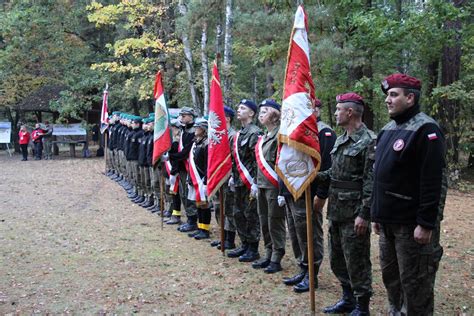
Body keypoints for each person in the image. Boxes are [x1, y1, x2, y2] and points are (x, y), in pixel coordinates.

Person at [371, 74, 447, 316]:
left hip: (411, 225)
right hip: (387, 223)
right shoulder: (387, 129)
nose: (387, 100)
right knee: (391, 280)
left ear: (410, 98)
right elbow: (379, 177)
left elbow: (433, 181)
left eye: (394, 95)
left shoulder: (426, 129)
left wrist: (426, 223)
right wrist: (375, 213)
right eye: (387, 95)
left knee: (415, 285)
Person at [316, 93, 376, 315]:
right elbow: (336, 173)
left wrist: (364, 214)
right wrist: (316, 176)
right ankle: (348, 298)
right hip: (336, 210)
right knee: (338, 258)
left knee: (357, 260)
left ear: (350, 112)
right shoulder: (341, 140)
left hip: (354, 213)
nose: (335, 113)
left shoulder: (369, 140)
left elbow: (371, 182)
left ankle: (362, 306)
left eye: (338, 109)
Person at [280, 98, 337, 292]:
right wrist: (283, 190)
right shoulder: (292, 129)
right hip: (291, 191)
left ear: (317, 110)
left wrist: (320, 194)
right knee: (296, 235)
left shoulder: (323, 131)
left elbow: (327, 165)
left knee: (309, 234)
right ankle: (303, 268)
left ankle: (312, 274)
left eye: (309, 108)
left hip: (309, 192)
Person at [251, 99, 286, 274]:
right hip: (263, 185)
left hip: (274, 187)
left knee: (275, 221)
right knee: (264, 220)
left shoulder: (280, 135)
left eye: (265, 111)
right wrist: (256, 184)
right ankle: (268, 252)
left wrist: (282, 189)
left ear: (275, 115)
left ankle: (277, 256)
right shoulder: (264, 136)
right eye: (261, 111)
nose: (261, 114)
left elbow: (283, 162)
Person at [227, 99, 262, 263]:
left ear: (251, 113)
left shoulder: (255, 133)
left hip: (250, 182)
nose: (238, 110)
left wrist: (255, 182)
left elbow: (257, 160)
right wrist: (233, 177)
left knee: (251, 215)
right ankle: (244, 243)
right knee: (238, 213)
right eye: (238, 107)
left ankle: (253, 248)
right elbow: (235, 159)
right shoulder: (238, 134)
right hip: (239, 181)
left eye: (243, 108)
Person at [210, 105, 237, 250]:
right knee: (218, 206)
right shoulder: (217, 135)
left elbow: (234, 158)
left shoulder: (232, 135)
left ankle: (229, 238)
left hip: (229, 177)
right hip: (218, 176)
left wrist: (232, 175)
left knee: (228, 208)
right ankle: (223, 235)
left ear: (227, 118)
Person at [168, 107, 197, 230]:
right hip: (181, 167)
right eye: (181, 116)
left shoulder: (193, 131)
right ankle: (190, 220)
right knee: (183, 194)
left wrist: (171, 156)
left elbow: (185, 152)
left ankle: (192, 221)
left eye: (184, 116)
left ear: (191, 116)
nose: (181, 118)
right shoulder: (184, 131)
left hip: (189, 167)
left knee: (189, 195)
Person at [186, 118, 211, 240]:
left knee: (204, 205)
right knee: (199, 204)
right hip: (195, 179)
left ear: (204, 129)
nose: (195, 129)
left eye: (198, 127)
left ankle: (205, 229)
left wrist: (206, 181)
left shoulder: (206, 144)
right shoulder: (196, 142)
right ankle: (200, 227)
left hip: (202, 179)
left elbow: (207, 164)